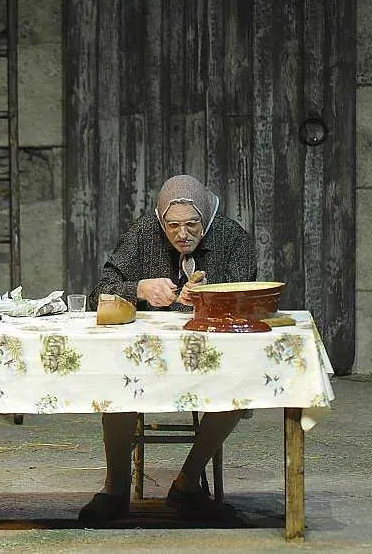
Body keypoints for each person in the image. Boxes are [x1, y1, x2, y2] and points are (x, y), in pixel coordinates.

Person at [78, 174, 257, 523]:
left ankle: (187, 484)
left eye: (192, 225)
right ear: (162, 221)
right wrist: (139, 289)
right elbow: (97, 296)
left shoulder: (232, 237)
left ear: (206, 218)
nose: (182, 234)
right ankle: (115, 488)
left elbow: (246, 298)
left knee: (241, 384)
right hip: (146, 358)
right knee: (119, 381)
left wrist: (207, 298)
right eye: (173, 226)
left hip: (210, 356)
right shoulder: (143, 233)